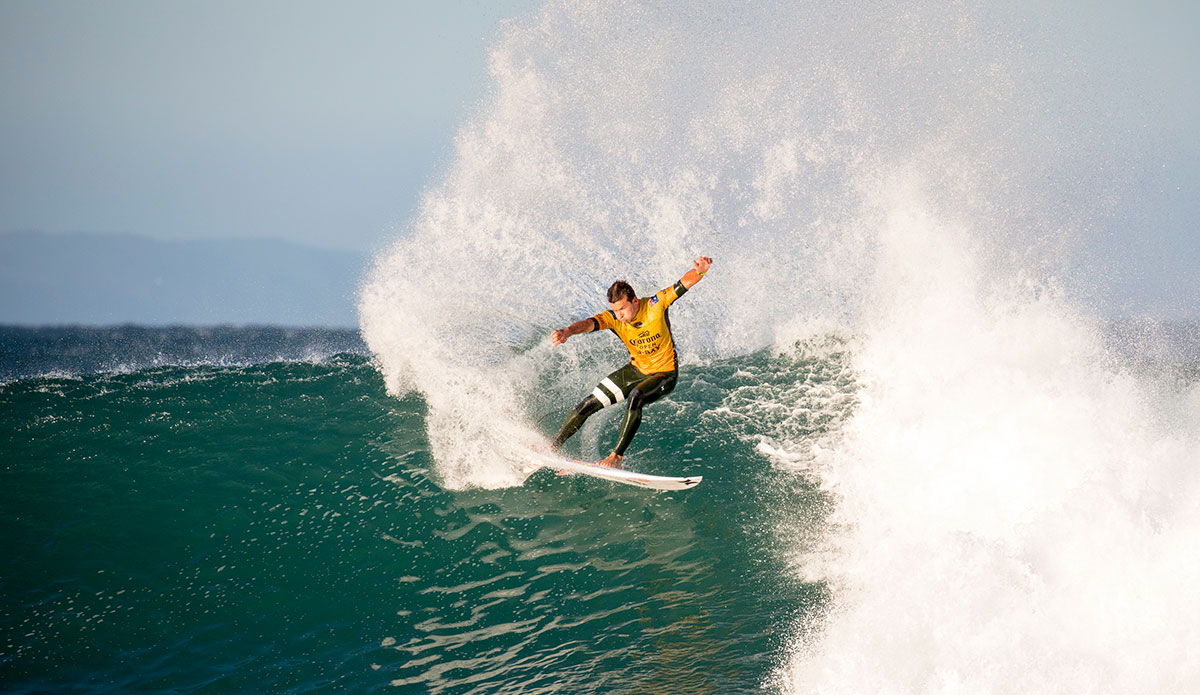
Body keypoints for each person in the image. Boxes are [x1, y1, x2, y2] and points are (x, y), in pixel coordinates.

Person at [549, 256, 713, 468]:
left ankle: (615, 458)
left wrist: (700, 271)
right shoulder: (614, 318)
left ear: (635, 301)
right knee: (588, 403)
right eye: (615, 310)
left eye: (622, 309)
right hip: (636, 370)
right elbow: (589, 323)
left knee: (636, 396)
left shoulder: (655, 305)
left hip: (664, 373)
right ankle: (551, 447)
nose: (619, 315)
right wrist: (568, 331)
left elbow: (683, 284)